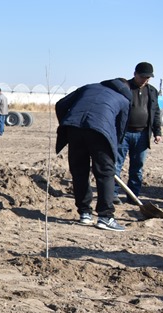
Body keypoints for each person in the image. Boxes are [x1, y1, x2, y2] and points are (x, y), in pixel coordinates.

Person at [55, 78, 131, 231]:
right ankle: (105, 217)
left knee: (79, 172)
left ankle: (84, 214)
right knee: (105, 173)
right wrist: (113, 147)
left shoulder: (88, 87)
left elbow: (61, 104)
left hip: (74, 128)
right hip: (100, 132)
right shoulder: (123, 99)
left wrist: (68, 121)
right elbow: (121, 128)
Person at [114, 62, 163, 204]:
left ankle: (133, 196)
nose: (145, 80)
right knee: (117, 165)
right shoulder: (124, 87)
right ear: (135, 74)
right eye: (143, 77)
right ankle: (113, 194)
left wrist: (157, 132)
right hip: (124, 134)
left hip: (142, 135)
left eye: (148, 78)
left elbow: (155, 113)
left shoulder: (152, 91)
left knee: (137, 168)